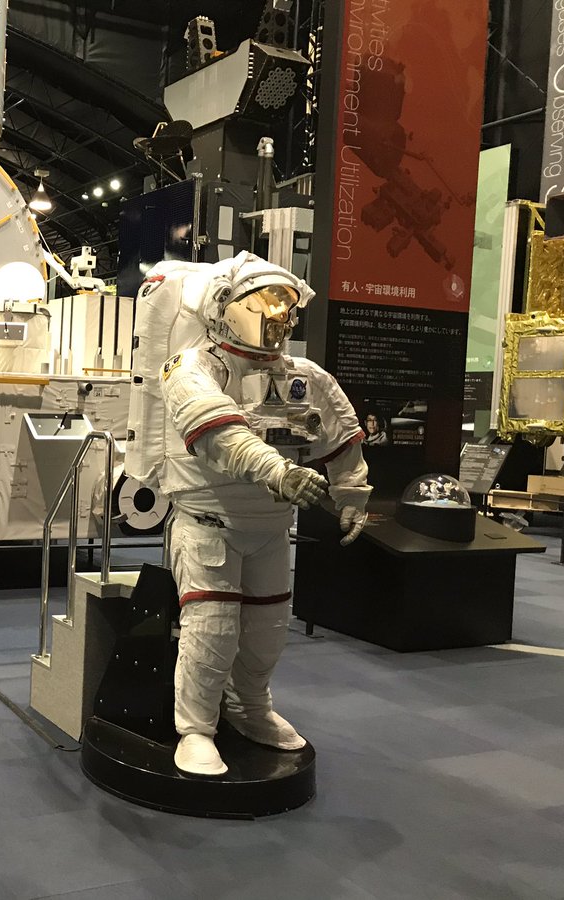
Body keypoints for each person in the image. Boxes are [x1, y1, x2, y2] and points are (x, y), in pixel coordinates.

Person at [126, 253, 372, 776]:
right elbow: (219, 434)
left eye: (285, 305)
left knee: (267, 628)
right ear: (224, 307)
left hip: (271, 527)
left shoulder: (303, 376)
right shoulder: (189, 367)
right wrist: (278, 472)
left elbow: (340, 432)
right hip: (209, 522)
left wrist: (353, 493)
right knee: (211, 630)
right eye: (263, 303)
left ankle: (251, 708)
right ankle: (195, 730)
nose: (277, 316)